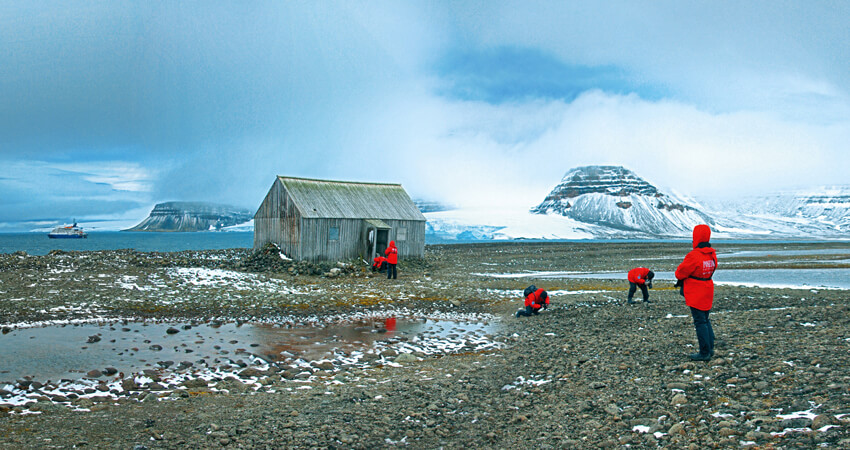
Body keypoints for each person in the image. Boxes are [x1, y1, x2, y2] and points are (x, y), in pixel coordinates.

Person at [675, 224, 718, 361]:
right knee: (705, 319)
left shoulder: (694, 255)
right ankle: (709, 348)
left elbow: (680, 273)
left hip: (696, 291)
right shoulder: (712, 254)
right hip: (707, 288)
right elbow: (713, 268)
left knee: (700, 321)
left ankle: (704, 352)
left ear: (696, 237)